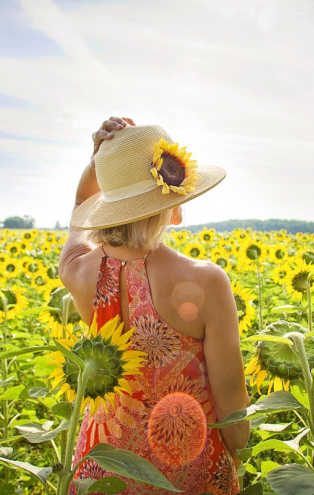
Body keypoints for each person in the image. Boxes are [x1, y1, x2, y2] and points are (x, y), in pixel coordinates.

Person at [58, 116, 249, 494]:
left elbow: (80, 210)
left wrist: (99, 162)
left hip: (101, 469)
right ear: (170, 196)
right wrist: (237, 462)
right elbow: (233, 413)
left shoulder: (78, 272)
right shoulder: (207, 281)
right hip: (186, 470)